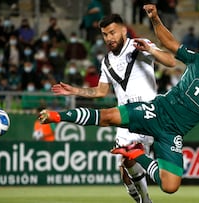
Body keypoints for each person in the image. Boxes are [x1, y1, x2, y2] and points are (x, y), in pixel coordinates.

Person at [38, 4, 199, 195]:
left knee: (171, 186)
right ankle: (56, 116)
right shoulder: (196, 60)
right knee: (109, 117)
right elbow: (171, 44)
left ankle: (137, 154)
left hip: (173, 132)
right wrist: (154, 18)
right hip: (157, 110)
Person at [49, 14, 176, 203]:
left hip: (146, 114)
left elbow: (171, 61)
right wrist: (75, 90)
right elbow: (101, 91)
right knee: (125, 173)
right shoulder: (107, 61)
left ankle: (146, 200)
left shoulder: (139, 45)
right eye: (105, 35)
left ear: (123, 30)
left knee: (129, 159)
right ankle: (142, 198)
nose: (109, 38)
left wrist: (150, 49)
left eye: (112, 33)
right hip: (123, 118)